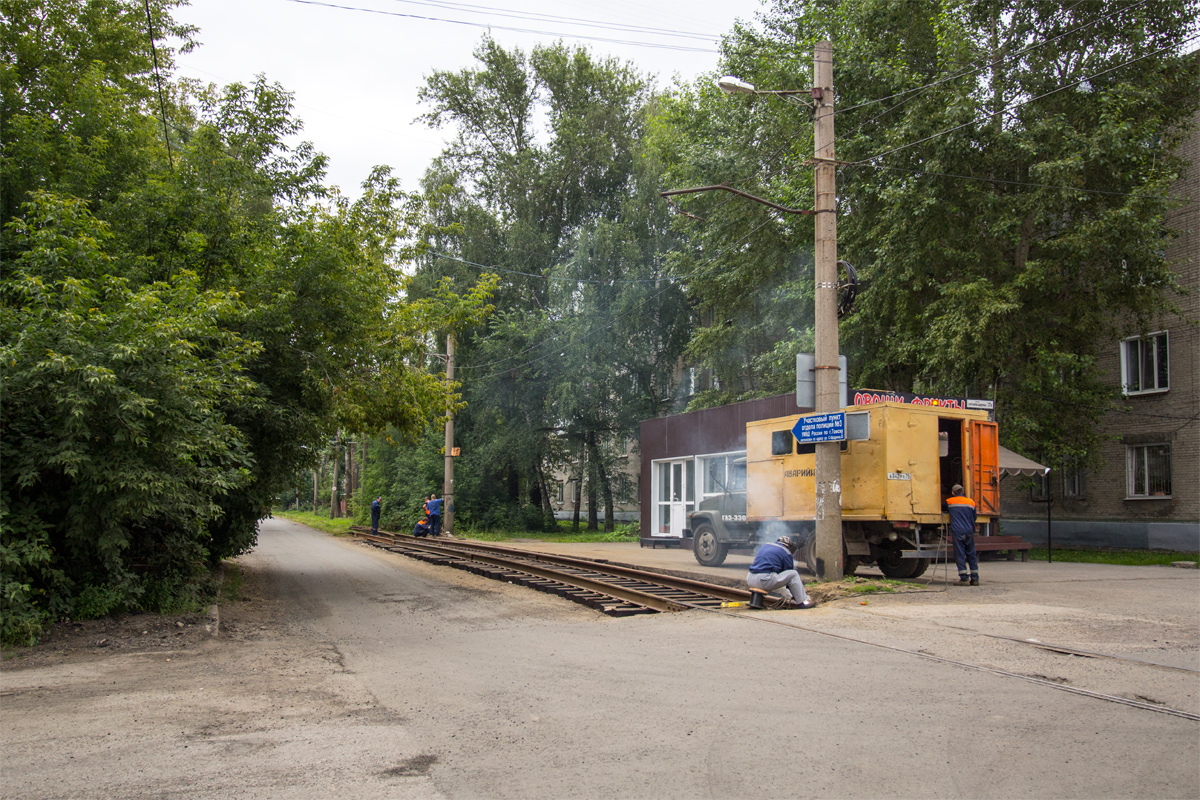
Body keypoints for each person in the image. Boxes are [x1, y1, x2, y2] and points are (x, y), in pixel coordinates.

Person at [747, 536, 814, 609]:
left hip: (750, 578)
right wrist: (794, 593)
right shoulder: (786, 551)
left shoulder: (765, 546)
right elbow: (788, 576)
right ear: (787, 545)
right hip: (764, 580)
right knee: (794, 574)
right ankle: (802, 602)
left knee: (774, 577)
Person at [945, 484, 979, 586]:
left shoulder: (950, 502)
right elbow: (974, 517)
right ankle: (975, 579)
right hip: (969, 531)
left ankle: (964, 578)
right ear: (963, 492)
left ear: (953, 493)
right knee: (971, 554)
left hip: (958, 531)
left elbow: (942, 507)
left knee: (960, 554)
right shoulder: (971, 502)